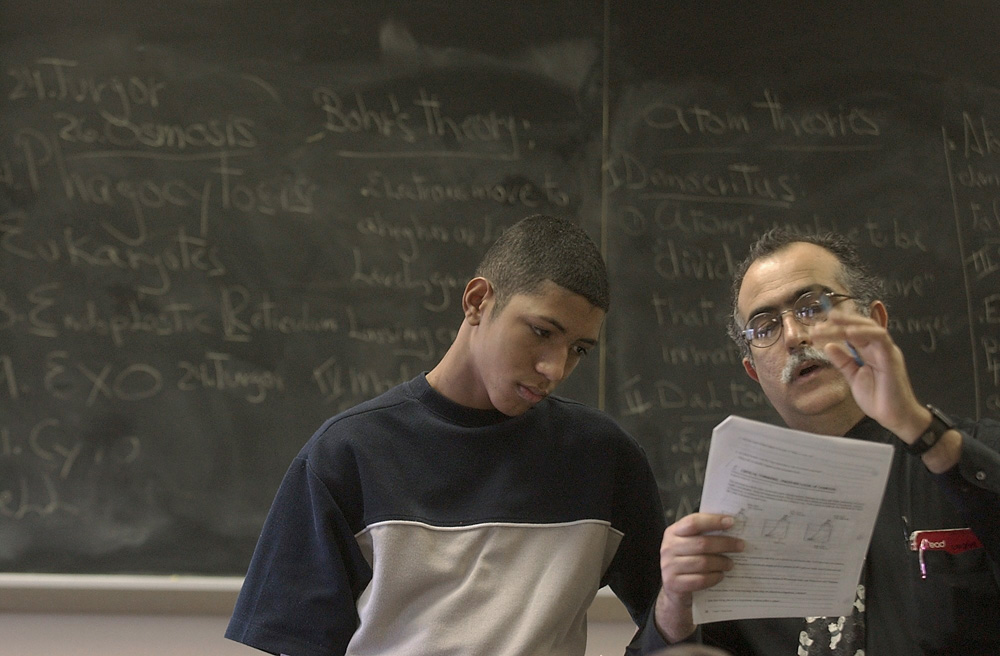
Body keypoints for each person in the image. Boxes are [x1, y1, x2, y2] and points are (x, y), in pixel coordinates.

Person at [225, 214, 677, 655]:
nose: (555, 369)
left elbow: (674, 620)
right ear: (478, 301)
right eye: (541, 332)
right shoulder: (346, 455)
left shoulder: (605, 459)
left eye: (578, 349)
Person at [654, 228, 1000, 655]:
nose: (795, 336)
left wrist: (917, 427)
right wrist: (675, 602)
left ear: (874, 322)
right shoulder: (735, 511)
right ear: (753, 371)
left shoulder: (971, 458)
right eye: (764, 327)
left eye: (812, 307)